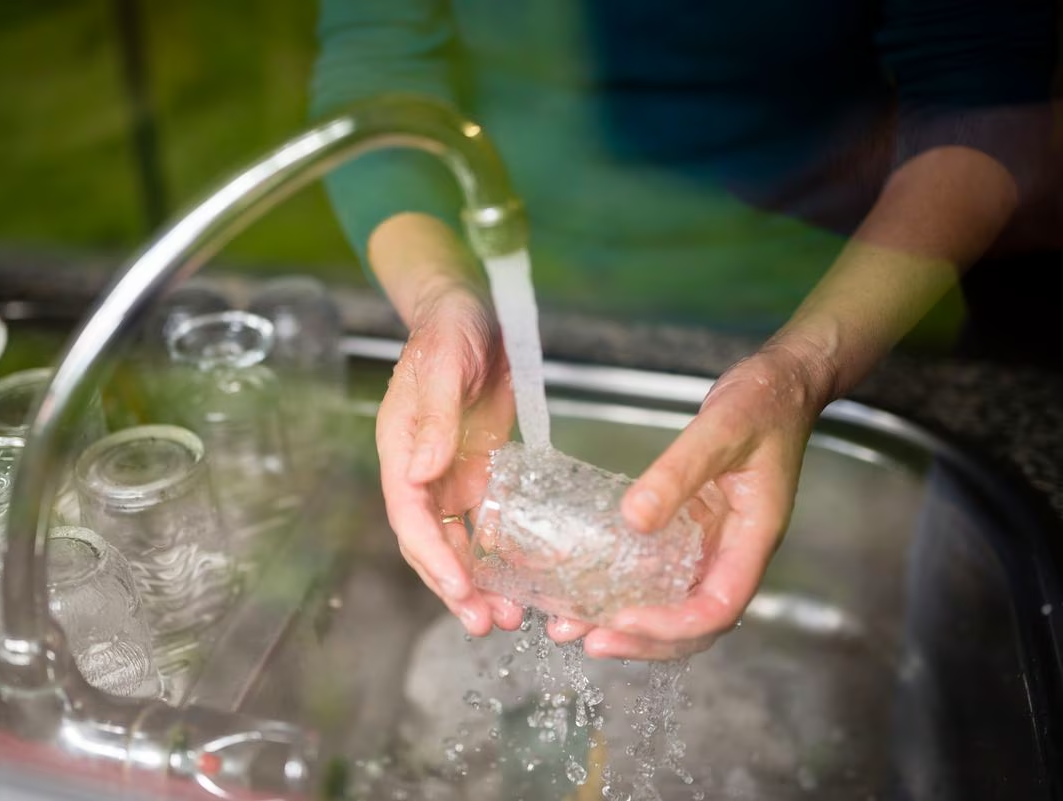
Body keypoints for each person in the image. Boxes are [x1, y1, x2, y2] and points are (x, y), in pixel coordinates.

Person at [309, 0, 1060, 661]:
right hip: (529, 315)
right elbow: (377, 63)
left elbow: (982, 97)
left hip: (842, 307)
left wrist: (802, 370)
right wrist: (442, 298)